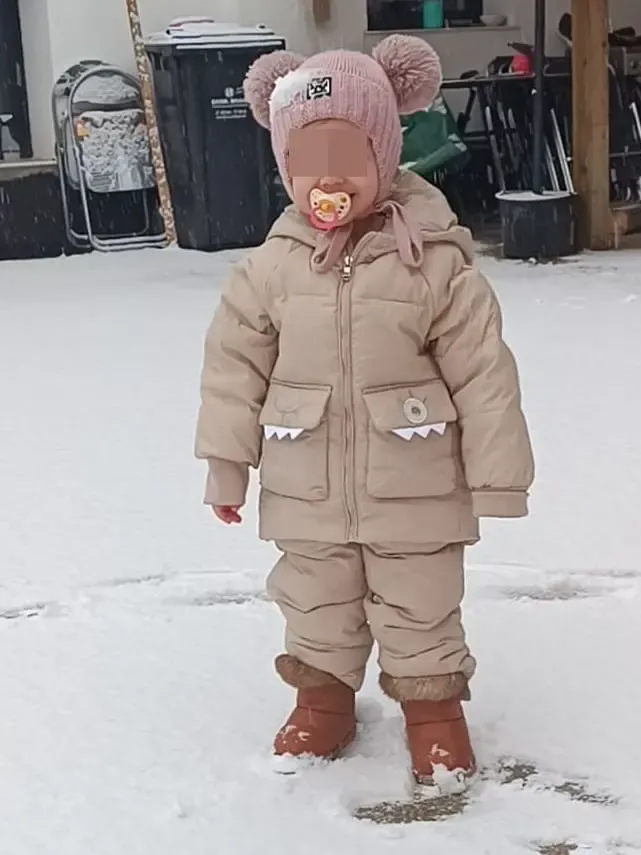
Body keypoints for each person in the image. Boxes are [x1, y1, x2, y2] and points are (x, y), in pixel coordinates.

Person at [194, 35, 534, 787]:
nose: (327, 179)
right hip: (304, 482)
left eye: (347, 156)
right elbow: (231, 370)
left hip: (416, 481)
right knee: (314, 600)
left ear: (386, 151)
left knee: (421, 601)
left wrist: (498, 478)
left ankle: (433, 712)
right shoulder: (270, 269)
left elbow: (484, 372)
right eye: (306, 161)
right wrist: (226, 465)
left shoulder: (433, 261)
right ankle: (322, 700)